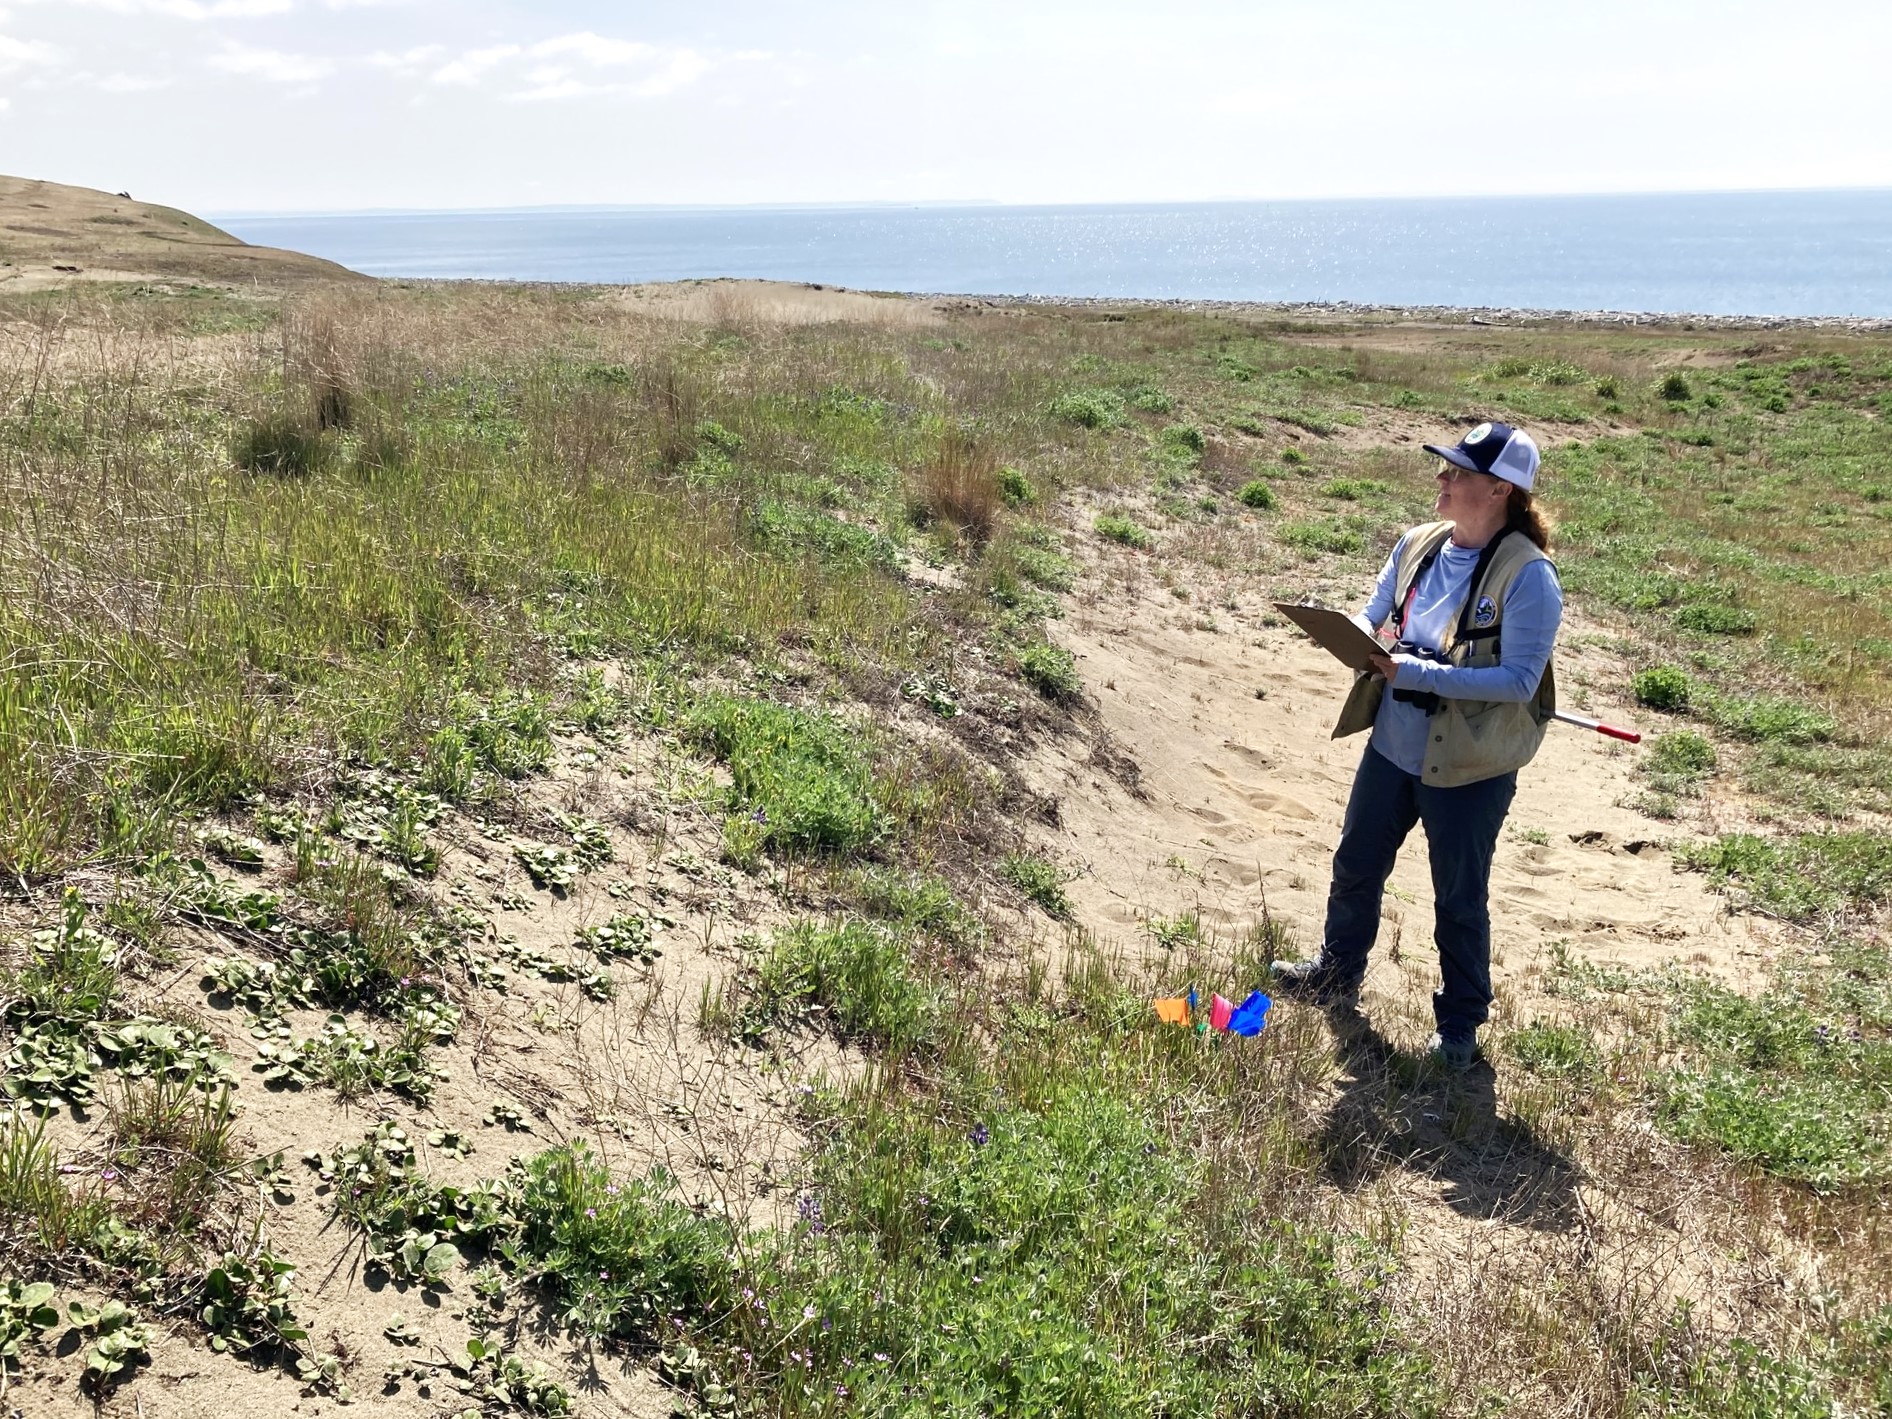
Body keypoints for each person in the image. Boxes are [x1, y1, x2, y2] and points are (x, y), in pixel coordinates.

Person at [1271, 421, 1562, 1071]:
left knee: (1458, 895)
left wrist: (1416, 672)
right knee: (1356, 860)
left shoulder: (1530, 576)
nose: (1442, 478)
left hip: (1470, 765)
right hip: (1394, 741)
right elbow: (1374, 617)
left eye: (1457, 472)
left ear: (1497, 489)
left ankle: (1460, 1025)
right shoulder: (1417, 544)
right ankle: (1336, 973)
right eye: (1445, 468)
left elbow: (1518, 680)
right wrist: (1352, 633)